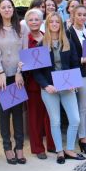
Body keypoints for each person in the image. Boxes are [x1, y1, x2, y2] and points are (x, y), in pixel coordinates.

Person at [32, 13, 85, 163]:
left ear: (60, 24)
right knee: (55, 121)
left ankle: (69, 149)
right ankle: (59, 151)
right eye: (51, 22)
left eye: (57, 22)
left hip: (67, 87)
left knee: (75, 119)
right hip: (49, 88)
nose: (54, 24)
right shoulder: (41, 44)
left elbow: (75, 63)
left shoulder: (67, 42)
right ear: (47, 24)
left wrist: (74, 82)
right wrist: (45, 85)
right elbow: (36, 71)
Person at [0, 0, 28, 166]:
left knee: (18, 112)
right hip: (1, 77)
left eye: (9, 7)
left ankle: (19, 147)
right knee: (5, 112)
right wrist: (0, 72)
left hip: (17, 74)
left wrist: (20, 72)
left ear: (13, 9)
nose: (7, 10)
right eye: (3, 7)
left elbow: (24, 52)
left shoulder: (22, 27)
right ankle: (7, 147)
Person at [22, 9, 55, 160]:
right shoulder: (24, 40)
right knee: (35, 116)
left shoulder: (46, 37)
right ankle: (37, 148)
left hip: (48, 82)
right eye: (31, 20)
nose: (34, 22)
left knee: (50, 114)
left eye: (37, 19)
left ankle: (53, 144)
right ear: (27, 22)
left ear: (42, 22)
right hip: (32, 84)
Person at [66, 5, 86, 155]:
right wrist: (81, 59)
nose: (82, 17)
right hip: (80, 71)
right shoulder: (69, 33)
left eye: (84, 15)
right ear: (73, 16)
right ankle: (82, 139)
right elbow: (67, 57)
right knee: (82, 107)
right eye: (79, 14)